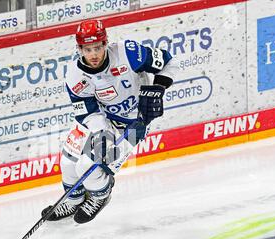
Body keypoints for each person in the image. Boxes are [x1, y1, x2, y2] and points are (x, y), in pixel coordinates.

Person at [42, 19, 177, 224]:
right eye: (88, 49)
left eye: (97, 47)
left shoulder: (129, 53)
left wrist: (159, 88)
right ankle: (73, 200)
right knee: (68, 163)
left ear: (106, 43)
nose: (94, 54)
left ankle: (99, 196)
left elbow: (169, 62)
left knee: (89, 167)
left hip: (133, 126)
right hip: (100, 120)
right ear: (79, 49)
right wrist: (100, 134)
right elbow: (87, 110)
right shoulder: (75, 74)